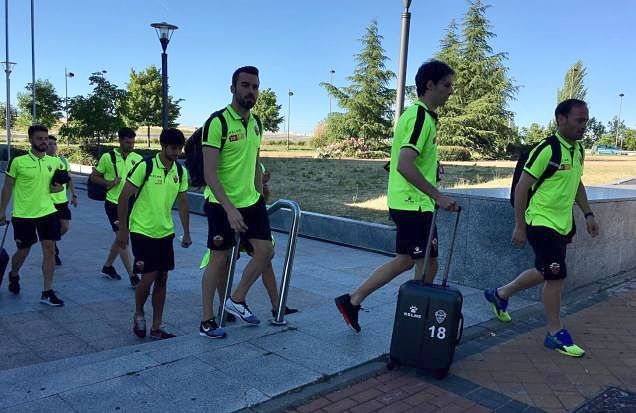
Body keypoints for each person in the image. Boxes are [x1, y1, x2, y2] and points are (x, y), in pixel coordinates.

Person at [335, 60, 458, 332]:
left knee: (410, 261)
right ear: (430, 85)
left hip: (410, 202)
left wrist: (432, 167)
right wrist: (438, 195)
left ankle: (354, 301)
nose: (451, 91)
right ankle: (416, 319)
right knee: (427, 264)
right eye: (447, 85)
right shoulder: (420, 117)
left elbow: (405, 160)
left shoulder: (420, 117)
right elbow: (403, 164)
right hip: (413, 204)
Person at [484, 99, 599, 358]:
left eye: (586, 121)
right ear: (561, 119)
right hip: (540, 222)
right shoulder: (547, 149)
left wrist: (588, 213)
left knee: (546, 271)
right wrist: (520, 226)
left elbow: (576, 183)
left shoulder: (578, 151)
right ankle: (555, 333)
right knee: (556, 277)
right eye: (579, 120)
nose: (584, 126)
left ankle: (500, 294)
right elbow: (522, 187)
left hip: (562, 224)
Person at [199, 65, 273, 339]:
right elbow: (209, 173)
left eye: (254, 87)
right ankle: (207, 320)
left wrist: (261, 190)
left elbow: (254, 162)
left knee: (266, 251)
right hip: (220, 203)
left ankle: (236, 299)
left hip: (250, 201)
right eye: (245, 85)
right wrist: (229, 209)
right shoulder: (217, 122)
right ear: (233, 88)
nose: (250, 91)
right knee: (219, 260)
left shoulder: (257, 123)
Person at [116, 128, 192, 340]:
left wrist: (186, 232)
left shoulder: (180, 171)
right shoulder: (146, 166)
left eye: (179, 149)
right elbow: (123, 198)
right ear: (163, 146)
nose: (177, 153)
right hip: (141, 230)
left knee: (163, 278)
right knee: (148, 277)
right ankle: (139, 314)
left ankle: (157, 327)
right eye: (173, 148)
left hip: (165, 232)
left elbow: (184, 202)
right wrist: (123, 229)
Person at [199, 162, 298, 321]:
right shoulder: (226, 154)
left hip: (249, 211)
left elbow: (263, 194)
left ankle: (275, 305)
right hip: (225, 208)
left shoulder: (256, 162)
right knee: (221, 260)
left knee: (265, 255)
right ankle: (225, 306)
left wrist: (261, 193)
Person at [0, 125, 65, 306]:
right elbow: (7, 187)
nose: (44, 142)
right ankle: (14, 274)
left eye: (45, 138)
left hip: (48, 212)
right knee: (23, 251)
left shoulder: (52, 162)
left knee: (50, 250)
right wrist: (1, 211)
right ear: (30, 140)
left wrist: (58, 188)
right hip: (23, 215)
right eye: (39, 138)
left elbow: (57, 186)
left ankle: (47, 291)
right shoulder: (18, 161)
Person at [89, 127, 143, 287]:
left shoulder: (138, 158)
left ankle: (107, 267)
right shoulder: (108, 157)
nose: (131, 145)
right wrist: (109, 183)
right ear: (120, 141)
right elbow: (94, 177)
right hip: (113, 204)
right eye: (128, 142)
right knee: (123, 238)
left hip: (131, 203)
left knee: (120, 237)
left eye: (133, 142)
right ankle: (133, 276)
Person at [46, 135, 78, 265]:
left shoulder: (63, 161)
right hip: (48, 202)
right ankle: (53, 252)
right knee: (53, 229)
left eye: (55, 144)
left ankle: (51, 243)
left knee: (64, 228)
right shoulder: (43, 161)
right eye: (50, 144)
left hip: (62, 201)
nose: (53, 146)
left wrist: (74, 195)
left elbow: (69, 179)